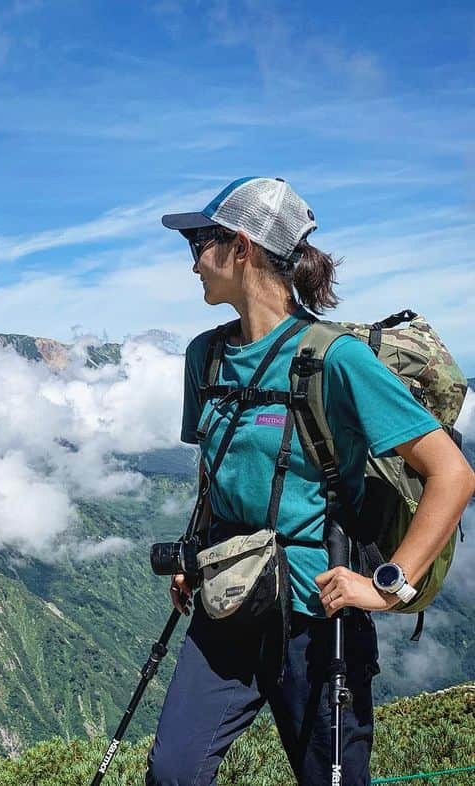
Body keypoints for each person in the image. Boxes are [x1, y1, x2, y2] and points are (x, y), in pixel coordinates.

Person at [145, 177, 475, 786]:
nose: (191, 262)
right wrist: (196, 548)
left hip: (317, 616)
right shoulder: (205, 358)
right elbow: (214, 468)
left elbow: (451, 474)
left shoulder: (335, 359)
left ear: (240, 247)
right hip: (228, 602)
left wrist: (389, 585)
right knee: (172, 772)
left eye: (199, 242)